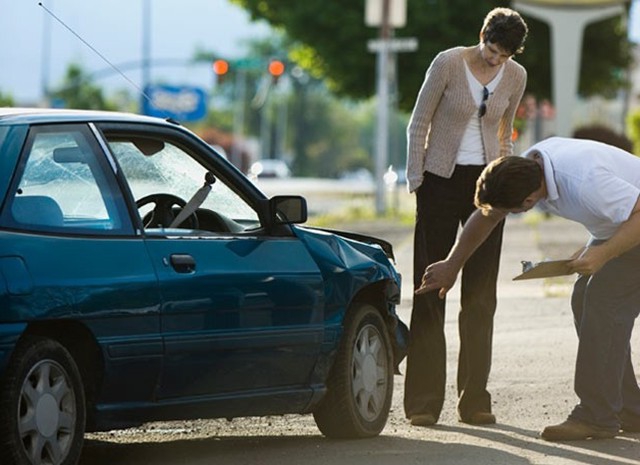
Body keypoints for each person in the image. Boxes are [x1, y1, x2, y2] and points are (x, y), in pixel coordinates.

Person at [417, 136, 640, 441]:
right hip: (623, 224)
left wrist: (602, 253)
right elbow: (488, 216)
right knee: (583, 297)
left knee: (604, 300)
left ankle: (597, 416)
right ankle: (630, 409)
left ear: (527, 203)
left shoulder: (585, 182)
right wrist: (452, 264)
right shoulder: (528, 168)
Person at [404, 7, 528, 427]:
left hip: (489, 187)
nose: (496, 60)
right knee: (430, 285)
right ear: (482, 36)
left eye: (505, 55)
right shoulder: (447, 63)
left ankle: (475, 400)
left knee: (480, 296)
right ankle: (423, 401)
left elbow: (505, 132)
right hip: (439, 181)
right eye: (493, 50)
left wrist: (508, 183)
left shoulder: (516, 76)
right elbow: (418, 122)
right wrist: (417, 178)